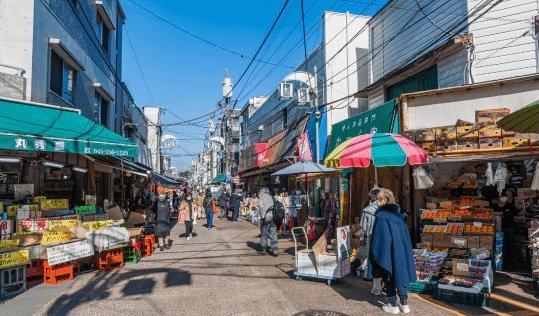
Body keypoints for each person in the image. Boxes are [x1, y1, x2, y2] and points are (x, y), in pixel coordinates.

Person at [369, 189, 415, 314]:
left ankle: (393, 304)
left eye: (378, 199)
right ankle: (404, 304)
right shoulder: (399, 216)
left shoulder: (381, 215)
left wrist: (375, 253)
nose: (377, 202)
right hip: (400, 251)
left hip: (387, 251)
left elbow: (379, 238)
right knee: (400, 273)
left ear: (383, 200)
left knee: (388, 274)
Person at [359, 188, 382, 296]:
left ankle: (376, 288)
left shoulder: (367, 210)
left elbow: (363, 228)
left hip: (372, 239)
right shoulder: (386, 209)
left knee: (374, 262)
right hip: (385, 239)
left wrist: (357, 235)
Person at [492, 192, 519, 267]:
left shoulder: (510, 206)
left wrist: (502, 213)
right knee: (501, 244)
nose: (504, 198)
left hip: (510, 227)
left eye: (505, 196)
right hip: (499, 228)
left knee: (511, 243)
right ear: (498, 198)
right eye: (502, 196)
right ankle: (502, 260)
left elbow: (514, 213)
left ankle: (514, 260)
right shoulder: (494, 207)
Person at [258, 187, 278, 256]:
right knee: (273, 234)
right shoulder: (272, 197)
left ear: (263, 191)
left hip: (265, 218)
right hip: (273, 218)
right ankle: (275, 250)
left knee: (264, 234)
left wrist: (262, 214)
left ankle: (264, 250)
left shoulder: (262, 197)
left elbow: (261, 207)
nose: (259, 193)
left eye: (260, 191)